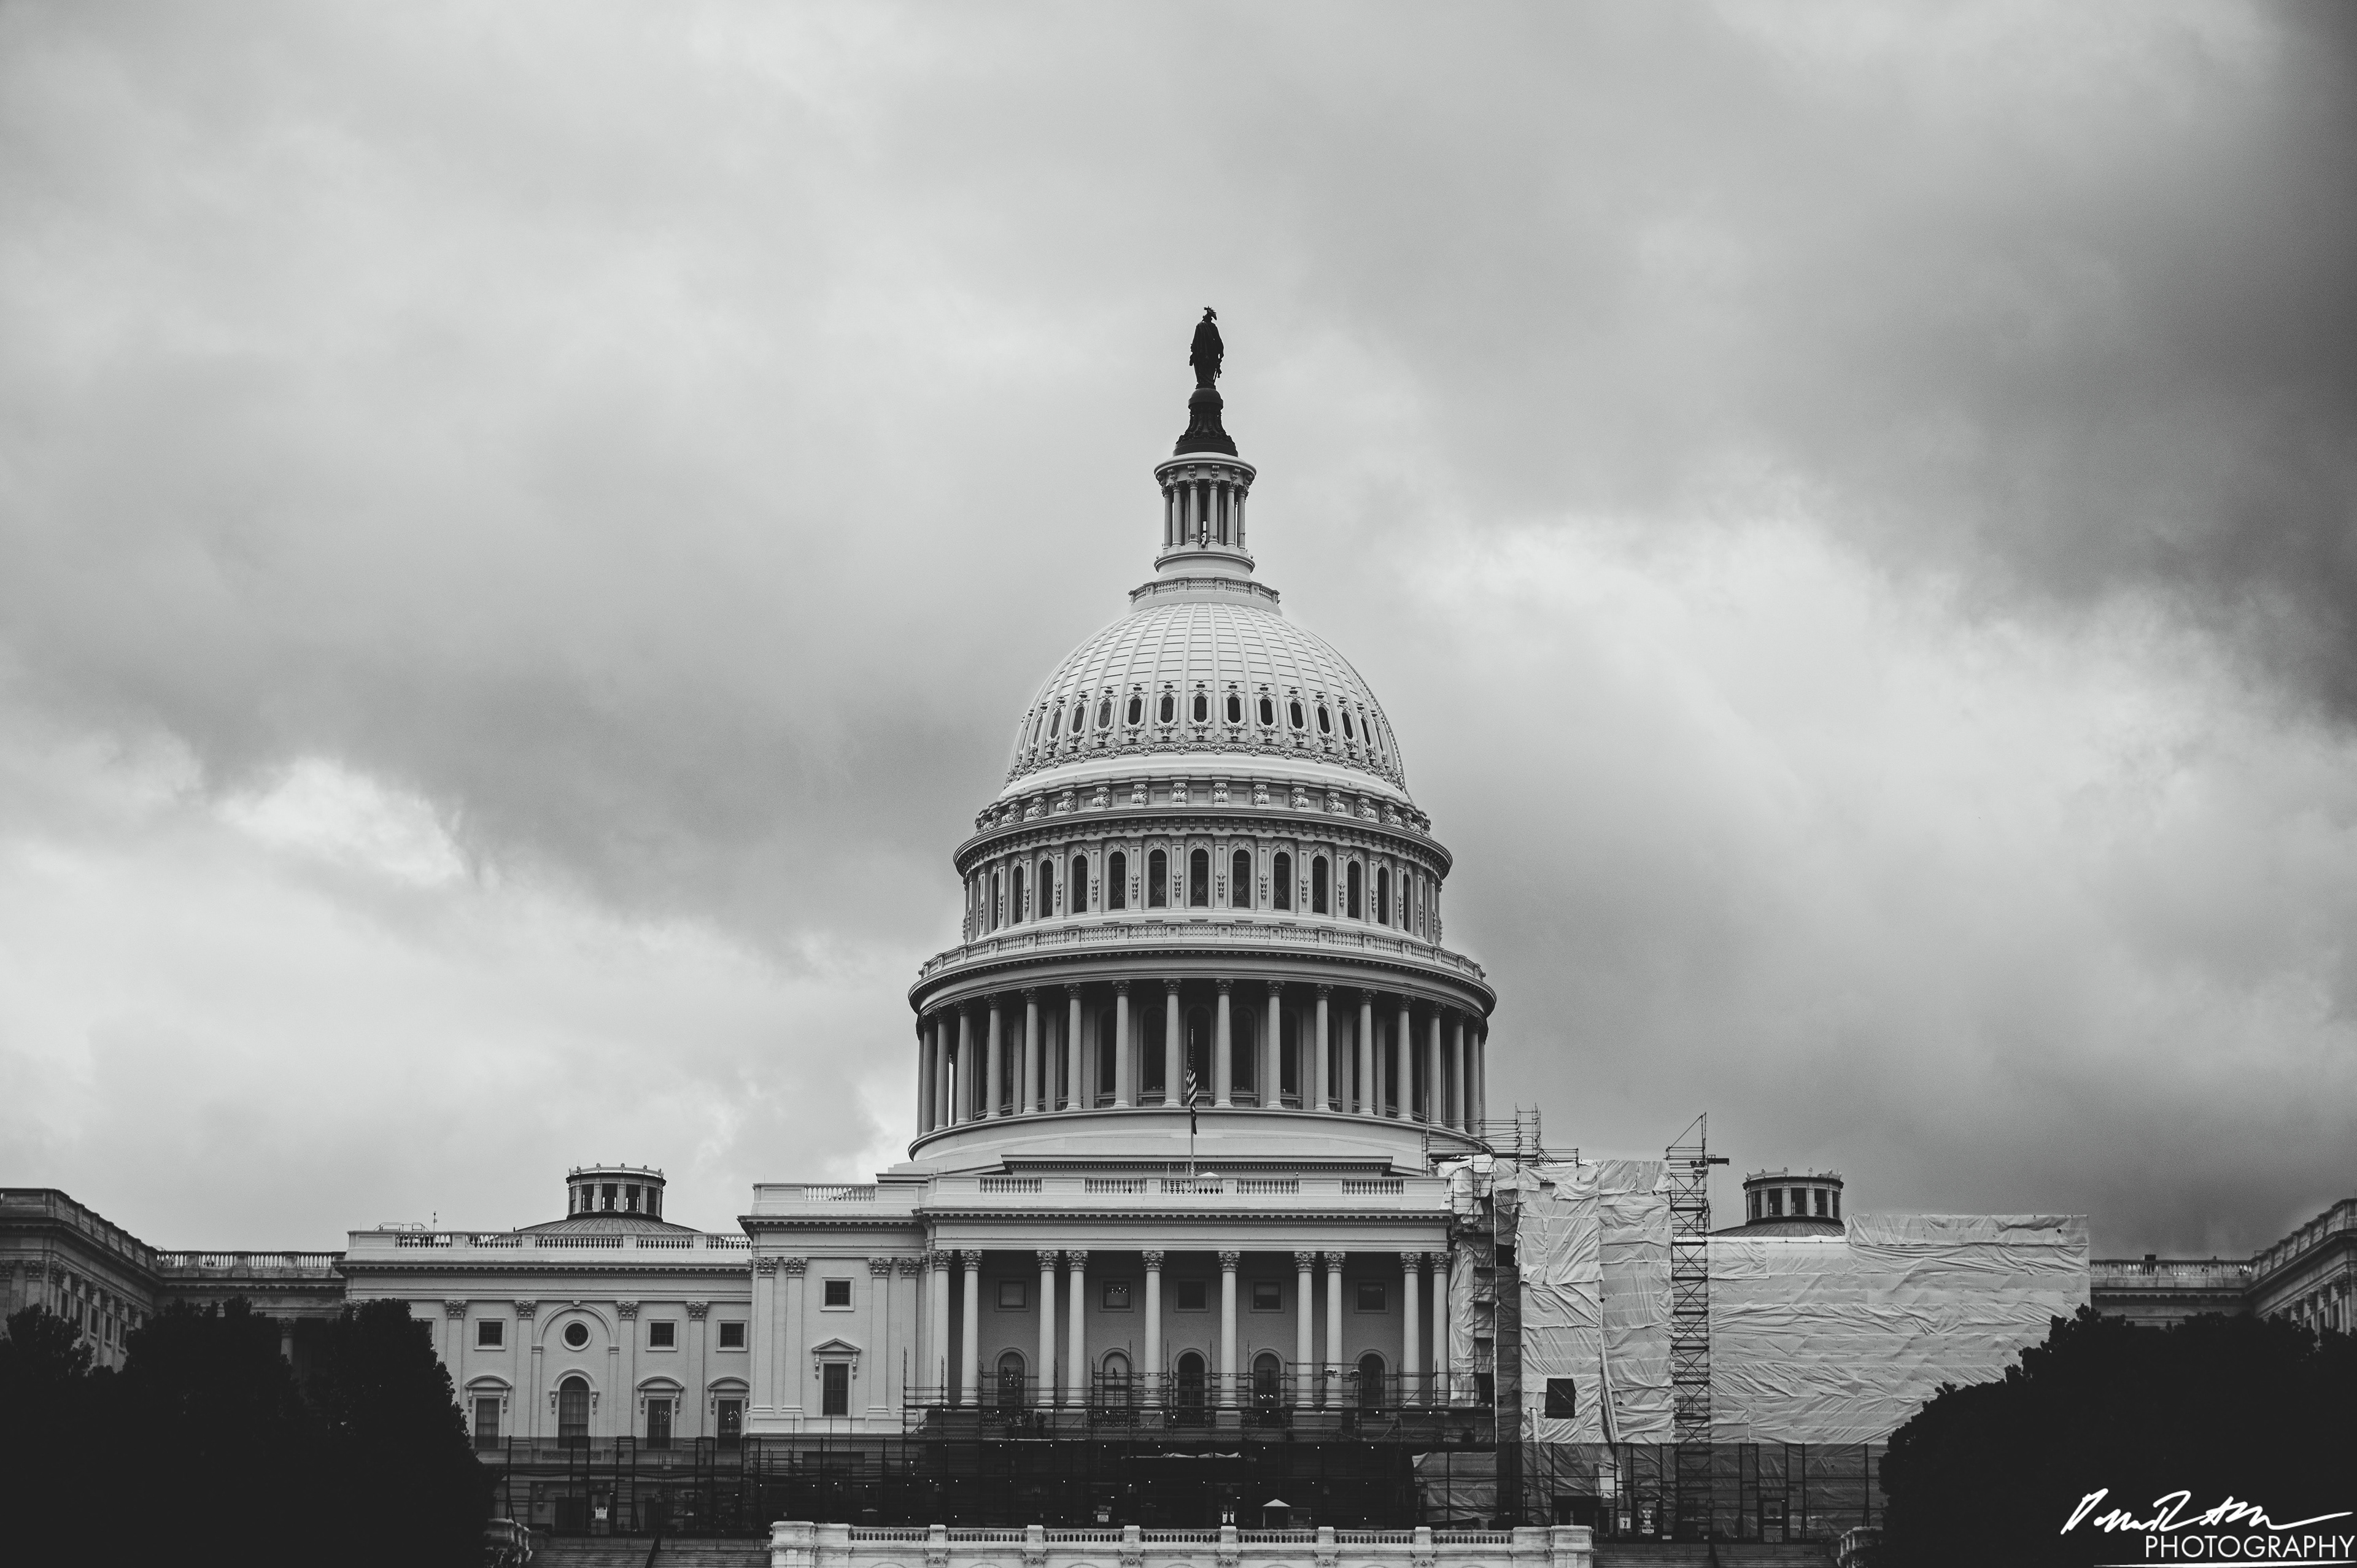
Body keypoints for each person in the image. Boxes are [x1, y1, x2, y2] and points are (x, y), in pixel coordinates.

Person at [1189, 307, 1223, 385]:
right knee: (1209, 370)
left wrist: (1194, 353)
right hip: (1212, 353)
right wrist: (1221, 351)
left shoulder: (1200, 326)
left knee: (1203, 370)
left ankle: (1204, 382)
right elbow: (1218, 340)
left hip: (1202, 355)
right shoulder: (1210, 326)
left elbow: (1195, 343)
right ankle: (1207, 382)